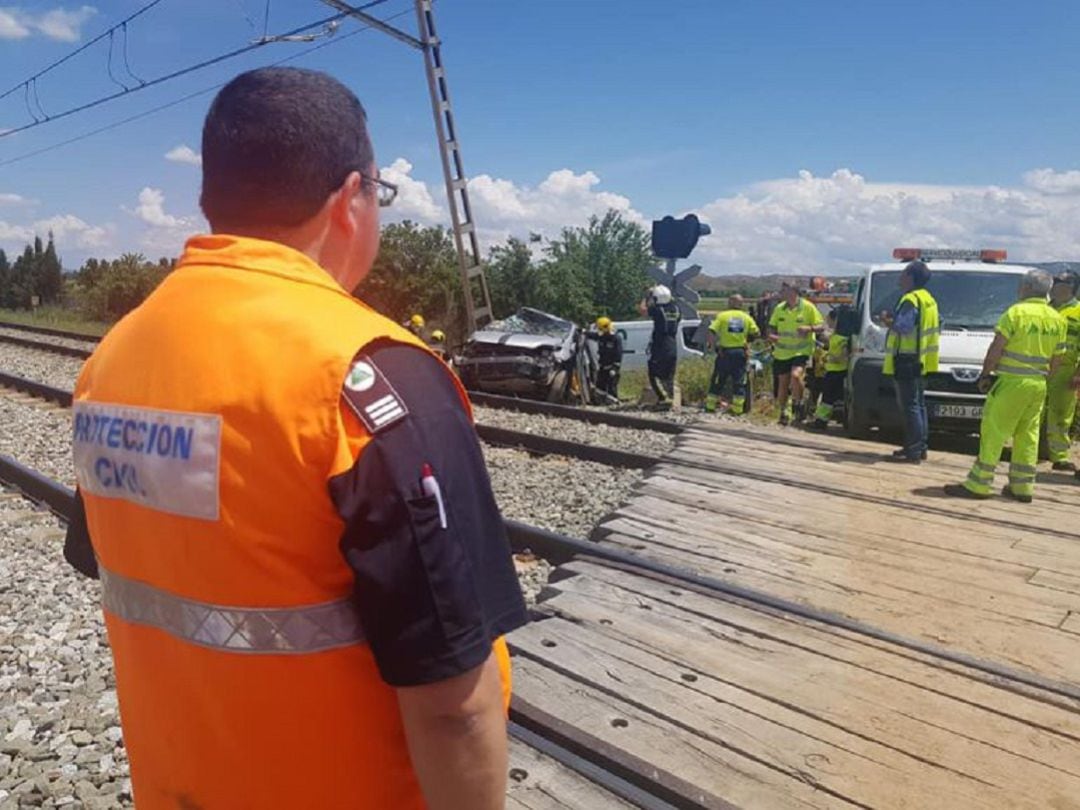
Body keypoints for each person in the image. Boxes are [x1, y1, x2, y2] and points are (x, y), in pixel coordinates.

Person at [62, 67, 526, 810]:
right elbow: (455, 705)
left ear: (211, 199)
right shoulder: (373, 381)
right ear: (350, 199)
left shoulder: (112, 360)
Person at [945, 270, 1066, 503]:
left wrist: (985, 374)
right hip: (1038, 384)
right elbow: (1058, 357)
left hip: (1011, 382)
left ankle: (979, 484)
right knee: (1028, 435)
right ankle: (1022, 488)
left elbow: (997, 347)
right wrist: (1045, 379)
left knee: (994, 431)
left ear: (1027, 288)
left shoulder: (1016, 313)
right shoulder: (1056, 318)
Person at [880, 260, 939, 463]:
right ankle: (919, 447)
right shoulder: (928, 299)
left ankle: (913, 450)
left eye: (903, 273)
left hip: (906, 359)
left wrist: (888, 320)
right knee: (919, 405)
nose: (900, 277)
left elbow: (904, 327)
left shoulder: (910, 300)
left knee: (910, 406)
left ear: (911, 277)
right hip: (921, 359)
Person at [768, 280, 824, 425]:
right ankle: (783, 411)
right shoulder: (780, 308)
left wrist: (809, 329)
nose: (781, 293)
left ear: (793, 291)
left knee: (796, 375)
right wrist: (772, 336)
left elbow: (821, 326)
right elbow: (771, 328)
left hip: (802, 350)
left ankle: (798, 404)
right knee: (783, 383)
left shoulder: (808, 307)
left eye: (784, 290)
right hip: (782, 352)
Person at [1045, 273, 1080, 470]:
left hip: (1066, 370)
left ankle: (1059, 457)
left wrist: (1078, 373)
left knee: (1061, 414)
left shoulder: (1078, 311)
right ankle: (1028, 453)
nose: (1055, 286)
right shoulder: (1045, 309)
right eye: (1054, 282)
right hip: (1041, 367)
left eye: (1061, 283)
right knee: (1034, 413)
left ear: (1072, 286)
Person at [705, 294, 759, 414]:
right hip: (740, 353)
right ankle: (737, 409)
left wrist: (714, 347)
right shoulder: (746, 317)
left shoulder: (722, 316)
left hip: (725, 352)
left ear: (730, 302)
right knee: (739, 381)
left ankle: (710, 406)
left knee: (718, 379)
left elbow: (711, 331)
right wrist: (746, 342)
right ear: (741, 304)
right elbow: (756, 333)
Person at [640, 284, 681, 407]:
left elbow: (643, 310)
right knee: (669, 374)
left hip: (660, 344)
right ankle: (669, 398)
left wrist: (646, 297)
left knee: (654, 372)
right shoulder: (677, 309)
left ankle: (663, 398)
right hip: (673, 344)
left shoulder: (657, 310)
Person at [811, 309, 849, 429]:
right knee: (832, 397)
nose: (828, 323)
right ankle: (825, 419)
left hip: (837, 371)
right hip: (833, 371)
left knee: (828, 398)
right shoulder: (836, 336)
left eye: (829, 320)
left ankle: (821, 421)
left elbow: (843, 356)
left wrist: (830, 358)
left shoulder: (842, 338)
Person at [587, 315, 623, 403]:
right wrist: (584, 332)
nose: (600, 331)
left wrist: (615, 368)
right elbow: (594, 336)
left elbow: (618, 355)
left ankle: (614, 405)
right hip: (602, 367)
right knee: (599, 388)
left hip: (611, 368)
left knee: (611, 389)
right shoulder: (602, 336)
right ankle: (600, 404)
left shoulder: (616, 338)